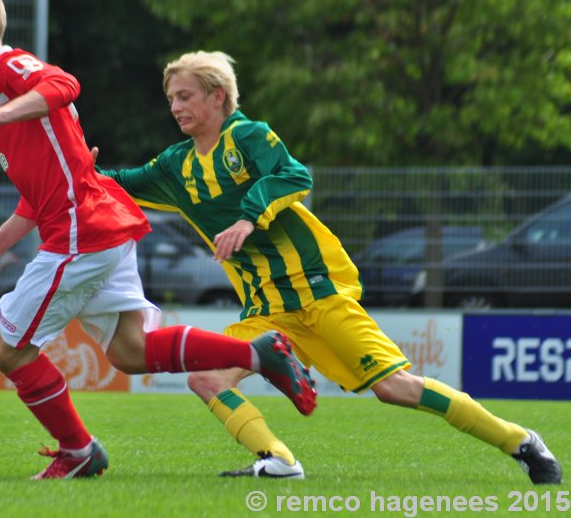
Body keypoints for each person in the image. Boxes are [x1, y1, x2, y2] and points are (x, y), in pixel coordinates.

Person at [97, 50, 563, 484]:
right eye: (171, 99)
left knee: (395, 389)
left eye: (185, 96)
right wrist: (80, 169)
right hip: (265, 312)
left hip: (318, 292)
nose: (175, 107)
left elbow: (294, 175)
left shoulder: (249, 136)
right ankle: (278, 459)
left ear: (217, 96)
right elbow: (119, 183)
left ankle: (520, 441)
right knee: (205, 378)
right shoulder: (175, 165)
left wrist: (247, 217)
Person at [0, 0, 316, 480]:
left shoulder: (9, 69)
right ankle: (258, 353)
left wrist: (0, 113)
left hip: (80, 234)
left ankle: (78, 451)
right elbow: (44, 184)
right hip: (99, 227)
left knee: (9, 350)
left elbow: (64, 82)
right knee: (131, 352)